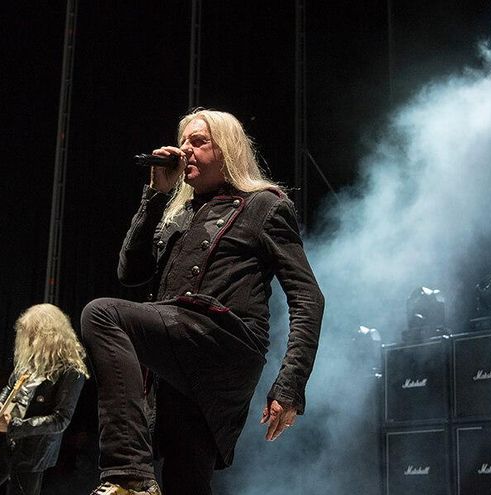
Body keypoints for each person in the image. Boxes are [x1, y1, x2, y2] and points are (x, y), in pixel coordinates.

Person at [80, 108, 324, 495]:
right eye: (183, 142)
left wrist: (290, 384)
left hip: (222, 341)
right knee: (187, 478)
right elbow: (130, 271)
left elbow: (307, 296)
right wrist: (155, 197)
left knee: (102, 314)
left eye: (198, 141)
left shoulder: (263, 205)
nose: (184, 150)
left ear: (226, 150)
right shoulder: (179, 214)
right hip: (180, 357)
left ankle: (128, 472)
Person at [0, 303, 89, 495]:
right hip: (4, 442)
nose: (27, 340)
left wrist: (14, 426)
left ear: (49, 335)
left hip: (32, 453)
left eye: (32, 335)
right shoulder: (29, 363)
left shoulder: (71, 371)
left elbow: (61, 420)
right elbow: (8, 391)